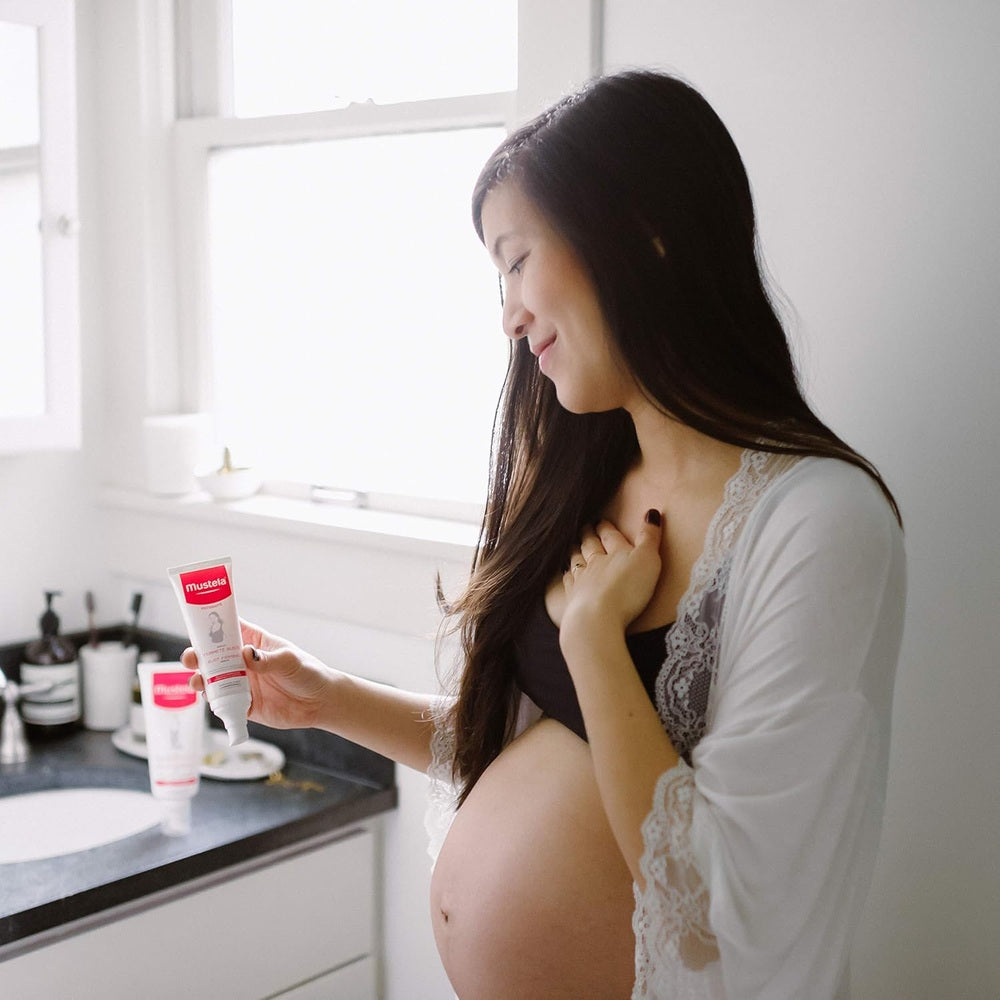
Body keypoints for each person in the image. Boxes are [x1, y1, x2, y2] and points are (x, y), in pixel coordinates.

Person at [182, 69, 906, 999]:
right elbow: (530, 751)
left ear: (643, 238)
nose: (509, 313)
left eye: (518, 260)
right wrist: (329, 699)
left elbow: (735, 900)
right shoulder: (585, 479)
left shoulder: (816, 524)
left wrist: (596, 645)